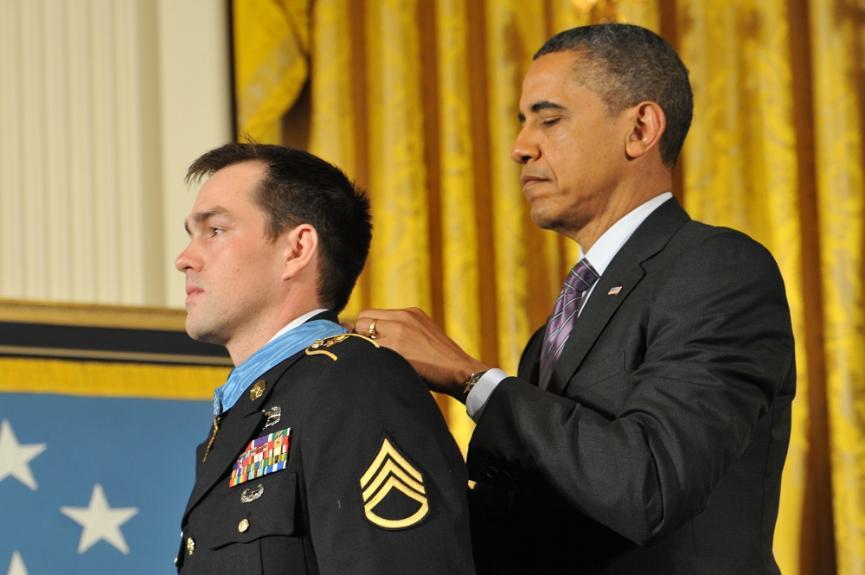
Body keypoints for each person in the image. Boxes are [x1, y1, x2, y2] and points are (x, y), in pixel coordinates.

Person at [355, 23, 795, 575]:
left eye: (550, 118)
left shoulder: (717, 269)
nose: (521, 147)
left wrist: (471, 380)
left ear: (640, 129)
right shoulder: (555, 332)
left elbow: (650, 486)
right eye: (523, 122)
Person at [173, 143, 474, 574]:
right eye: (190, 234)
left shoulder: (355, 382)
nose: (184, 259)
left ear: (297, 249)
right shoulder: (254, 407)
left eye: (215, 230)